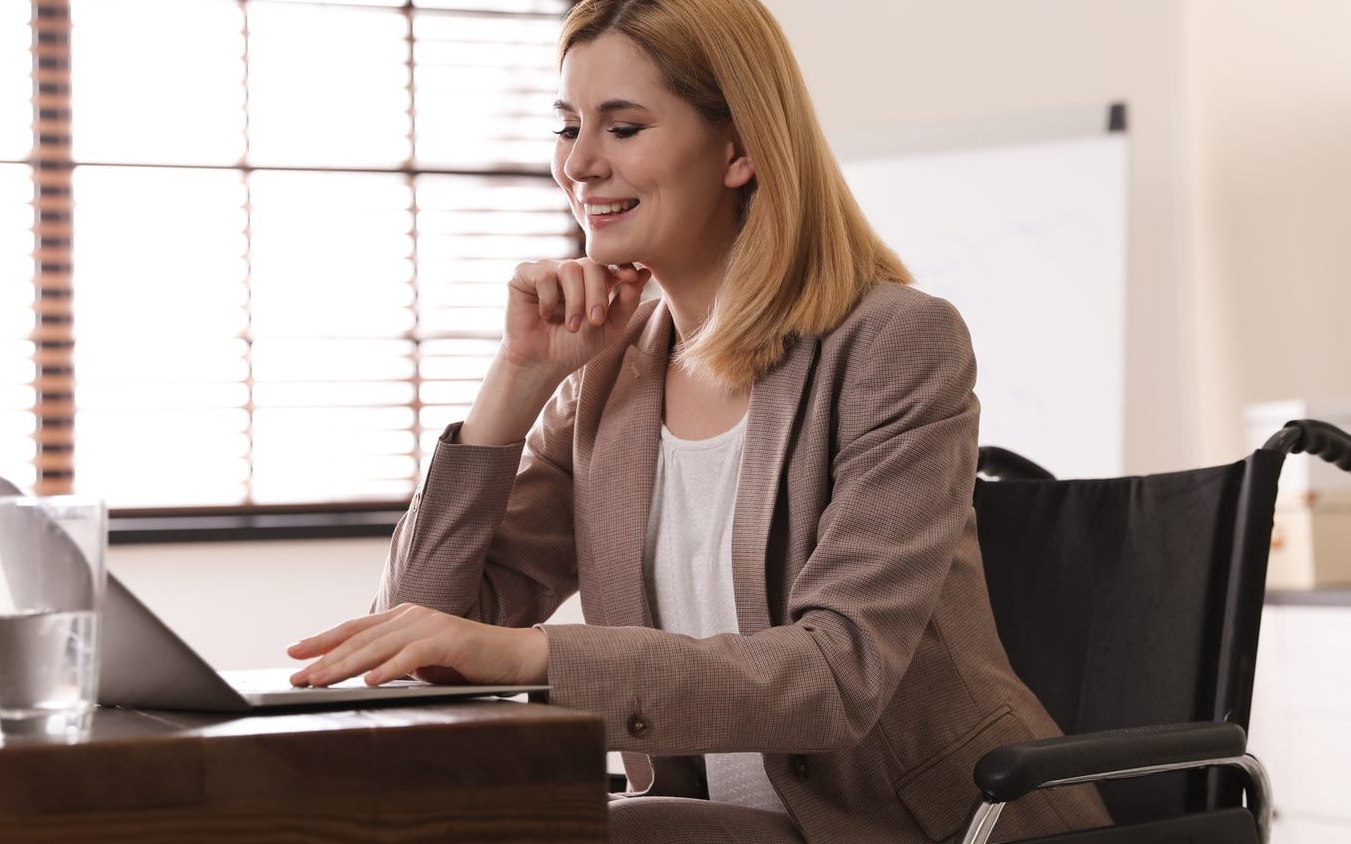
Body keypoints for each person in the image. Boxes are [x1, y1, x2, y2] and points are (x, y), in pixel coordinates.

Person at [286, 0, 1111, 840]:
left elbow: (837, 675)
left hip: (914, 824)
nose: (580, 164)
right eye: (568, 126)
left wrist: (538, 657)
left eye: (624, 127)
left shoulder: (894, 344)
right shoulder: (605, 375)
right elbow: (415, 636)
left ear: (741, 149)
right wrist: (515, 383)